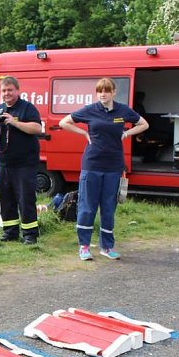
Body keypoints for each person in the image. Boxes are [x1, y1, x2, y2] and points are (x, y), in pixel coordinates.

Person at [59, 78, 149, 261]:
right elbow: (64, 122)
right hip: (92, 165)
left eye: (107, 91)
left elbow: (144, 124)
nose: (103, 94)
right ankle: (84, 246)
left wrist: (126, 133)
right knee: (87, 206)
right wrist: (84, 133)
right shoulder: (90, 110)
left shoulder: (123, 110)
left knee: (108, 207)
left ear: (114, 92)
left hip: (113, 166)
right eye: (100, 91)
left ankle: (107, 247)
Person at [0, 76, 45, 245]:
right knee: (6, 199)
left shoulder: (27, 108)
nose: (6, 93)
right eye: (4, 90)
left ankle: (30, 234)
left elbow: (37, 128)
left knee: (25, 199)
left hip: (24, 164)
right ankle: (10, 232)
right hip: (3, 164)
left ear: (17, 91)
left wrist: (14, 122)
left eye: (10, 90)